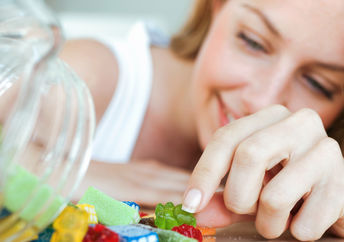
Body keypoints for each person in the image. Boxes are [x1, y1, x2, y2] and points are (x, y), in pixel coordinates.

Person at [60, 0, 344, 240]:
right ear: (214, 8)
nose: (262, 100)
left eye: (319, 84)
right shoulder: (86, 78)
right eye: (253, 42)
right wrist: (70, 174)